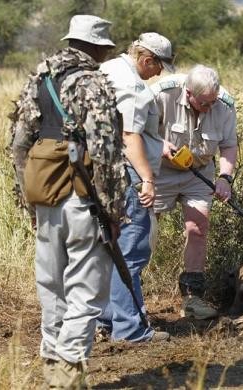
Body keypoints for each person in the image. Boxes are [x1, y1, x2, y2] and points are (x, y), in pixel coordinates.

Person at [10, 15, 126, 388]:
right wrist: (113, 211)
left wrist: (28, 199)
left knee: (51, 285)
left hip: (44, 195)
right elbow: (107, 154)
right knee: (86, 289)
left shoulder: (40, 79)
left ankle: (50, 366)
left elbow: (19, 145)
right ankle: (69, 373)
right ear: (96, 48)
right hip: (84, 198)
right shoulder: (92, 83)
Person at [97, 33, 175, 342]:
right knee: (131, 251)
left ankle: (107, 320)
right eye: (158, 67)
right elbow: (129, 136)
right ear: (147, 60)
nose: (158, 74)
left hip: (102, 173)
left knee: (108, 249)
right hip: (127, 176)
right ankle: (130, 330)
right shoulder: (133, 86)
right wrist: (148, 179)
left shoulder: (108, 69)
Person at [152, 64, 238, 320]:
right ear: (188, 92)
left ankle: (192, 299)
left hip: (199, 172)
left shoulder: (224, 103)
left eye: (212, 102)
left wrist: (225, 178)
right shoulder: (161, 94)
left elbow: (229, 145)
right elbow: (136, 133)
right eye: (204, 103)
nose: (209, 107)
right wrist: (158, 144)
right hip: (159, 170)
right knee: (144, 230)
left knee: (198, 229)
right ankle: (129, 296)